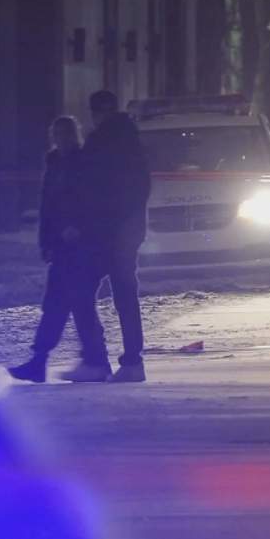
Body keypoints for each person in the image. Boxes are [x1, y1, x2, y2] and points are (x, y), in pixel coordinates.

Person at [8, 117, 110, 383]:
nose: (60, 139)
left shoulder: (81, 162)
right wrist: (48, 241)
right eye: (57, 134)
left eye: (65, 134)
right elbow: (48, 207)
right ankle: (45, 360)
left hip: (80, 247)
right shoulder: (56, 162)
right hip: (64, 246)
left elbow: (89, 202)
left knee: (78, 303)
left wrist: (77, 227)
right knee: (59, 305)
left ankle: (92, 360)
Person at [70, 90, 152, 383]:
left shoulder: (99, 143)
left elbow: (89, 189)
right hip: (126, 233)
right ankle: (132, 361)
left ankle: (96, 359)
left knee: (80, 291)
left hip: (103, 233)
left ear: (95, 113)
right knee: (126, 297)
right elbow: (140, 188)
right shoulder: (132, 143)